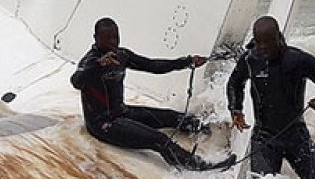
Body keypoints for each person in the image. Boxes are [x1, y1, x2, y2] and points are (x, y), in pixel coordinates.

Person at [70, 17, 234, 171]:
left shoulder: (122, 55)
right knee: (158, 140)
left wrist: (187, 61)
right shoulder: (90, 62)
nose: (113, 42)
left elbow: (153, 66)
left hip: (121, 112)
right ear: (96, 38)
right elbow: (76, 81)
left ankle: (213, 133)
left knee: (174, 118)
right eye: (108, 38)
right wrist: (98, 65)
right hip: (104, 124)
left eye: (116, 37)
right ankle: (198, 165)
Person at [226, 15, 315, 179]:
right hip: (264, 138)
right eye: (259, 43)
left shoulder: (299, 60)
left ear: (278, 37)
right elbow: (234, 83)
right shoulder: (249, 60)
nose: (263, 48)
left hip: (297, 137)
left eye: (268, 42)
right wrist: (236, 110)